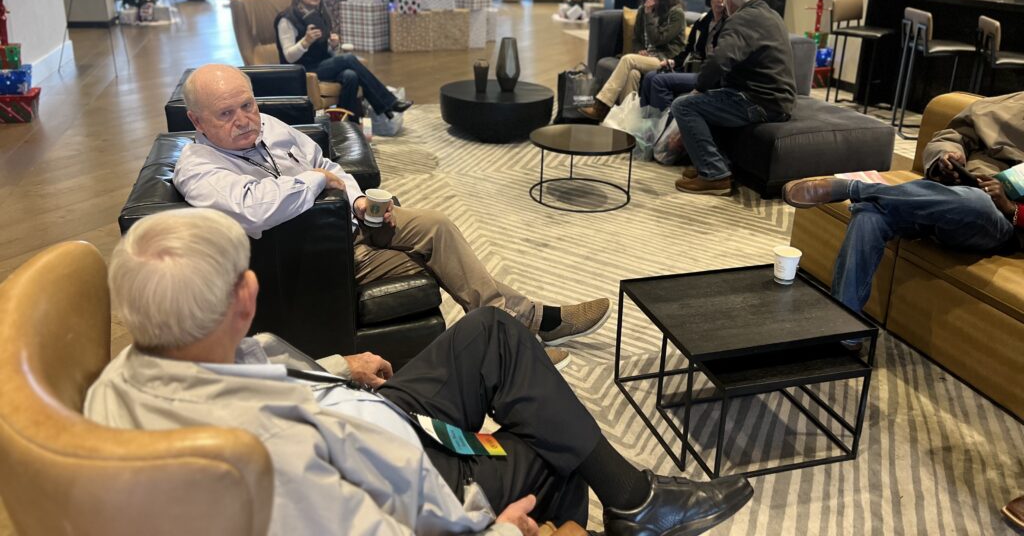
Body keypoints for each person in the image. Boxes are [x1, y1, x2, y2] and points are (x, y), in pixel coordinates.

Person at [86, 208, 754, 536]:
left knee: (491, 331)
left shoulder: (120, 378)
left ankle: (634, 499)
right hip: (418, 477)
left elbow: (264, 378)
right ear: (246, 296)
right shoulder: (267, 461)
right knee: (556, 444)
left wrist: (337, 365)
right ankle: (631, 504)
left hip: (362, 412)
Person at [173, 64, 611, 366]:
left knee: (437, 226)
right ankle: (525, 334)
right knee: (439, 260)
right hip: (319, 258)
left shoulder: (271, 127)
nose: (245, 120)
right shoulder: (198, 167)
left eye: (248, 105)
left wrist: (357, 200)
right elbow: (255, 209)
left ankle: (528, 323)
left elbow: (328, 164)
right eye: (226, 113)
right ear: (197, 120)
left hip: (353, 225)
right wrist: (315, 181)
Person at [783, 91, 1024, 320]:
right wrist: (947, 156)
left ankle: (854, 190)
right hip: (944, 192)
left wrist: (1010, 208)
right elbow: (954, 136)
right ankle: (844, 324)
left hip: (995, 220)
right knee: (870, 214)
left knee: (975, 202)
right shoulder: (1005, 105)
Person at [670, 0, 796, 196]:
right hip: (778, 99)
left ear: (729, 1)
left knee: (684, 105)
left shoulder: (740, 20)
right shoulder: (772, 15)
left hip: (761, 101)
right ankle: (717, 163)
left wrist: (699, 88)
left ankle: (715, 175)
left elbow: (719, 61)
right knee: (711, 99)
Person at [276, 0, 413, 121]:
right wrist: (306, 41)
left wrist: (334, 46)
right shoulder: (286, 19)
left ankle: (345, 124)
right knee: (348, 59)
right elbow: (289, 57)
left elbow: (326, 52)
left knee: (350, 75)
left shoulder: (320, 15)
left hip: (320, 66)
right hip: (300, 70)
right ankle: (389, 102)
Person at [578, 0, 686, 121]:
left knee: (628, 60)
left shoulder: (676, 13)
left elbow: (658, 40)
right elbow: (637, 39)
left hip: (665, 60)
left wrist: (649, 16)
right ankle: (628, 119)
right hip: (647, 58)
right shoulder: (643, 10)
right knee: (632, 74)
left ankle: (602, 105)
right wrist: (639, 50)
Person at [640, 0, 728, 111]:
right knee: (650, 77)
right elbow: (687, 50)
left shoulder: (730, 24)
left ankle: (665, 122)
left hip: (709, 75)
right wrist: (673, 61)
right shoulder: (703, 21)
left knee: (659, 81)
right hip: (693, 69)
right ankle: (645, 120)